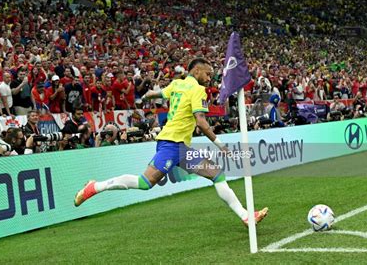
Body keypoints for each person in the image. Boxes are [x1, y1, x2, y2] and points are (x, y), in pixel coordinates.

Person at [74, 58, 268, 227]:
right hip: (172, 144)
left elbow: (157, 94)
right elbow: (200, 121)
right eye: (208, 74)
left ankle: (245, 216)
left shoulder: (177, 84)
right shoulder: (198, 90)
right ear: (197, 71)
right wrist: (220, 144)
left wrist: (145, 97)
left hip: (180, 147)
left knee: (216, 174)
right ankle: (95, 187)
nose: (210, 78)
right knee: (144, 182)